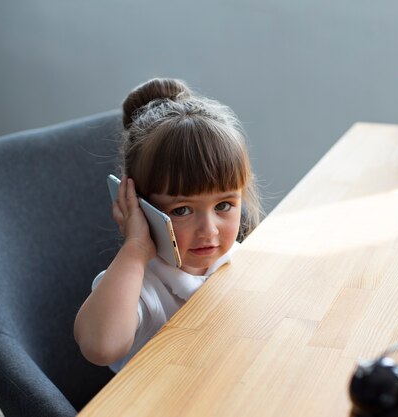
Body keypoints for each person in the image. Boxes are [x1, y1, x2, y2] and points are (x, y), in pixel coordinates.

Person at [74, 78, 260, 372]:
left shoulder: (234, 258)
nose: (209, 230)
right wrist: (135, 248)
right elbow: (101, 346)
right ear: (139, 205)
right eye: (182, 209)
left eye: (223, 205)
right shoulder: (141, 286)